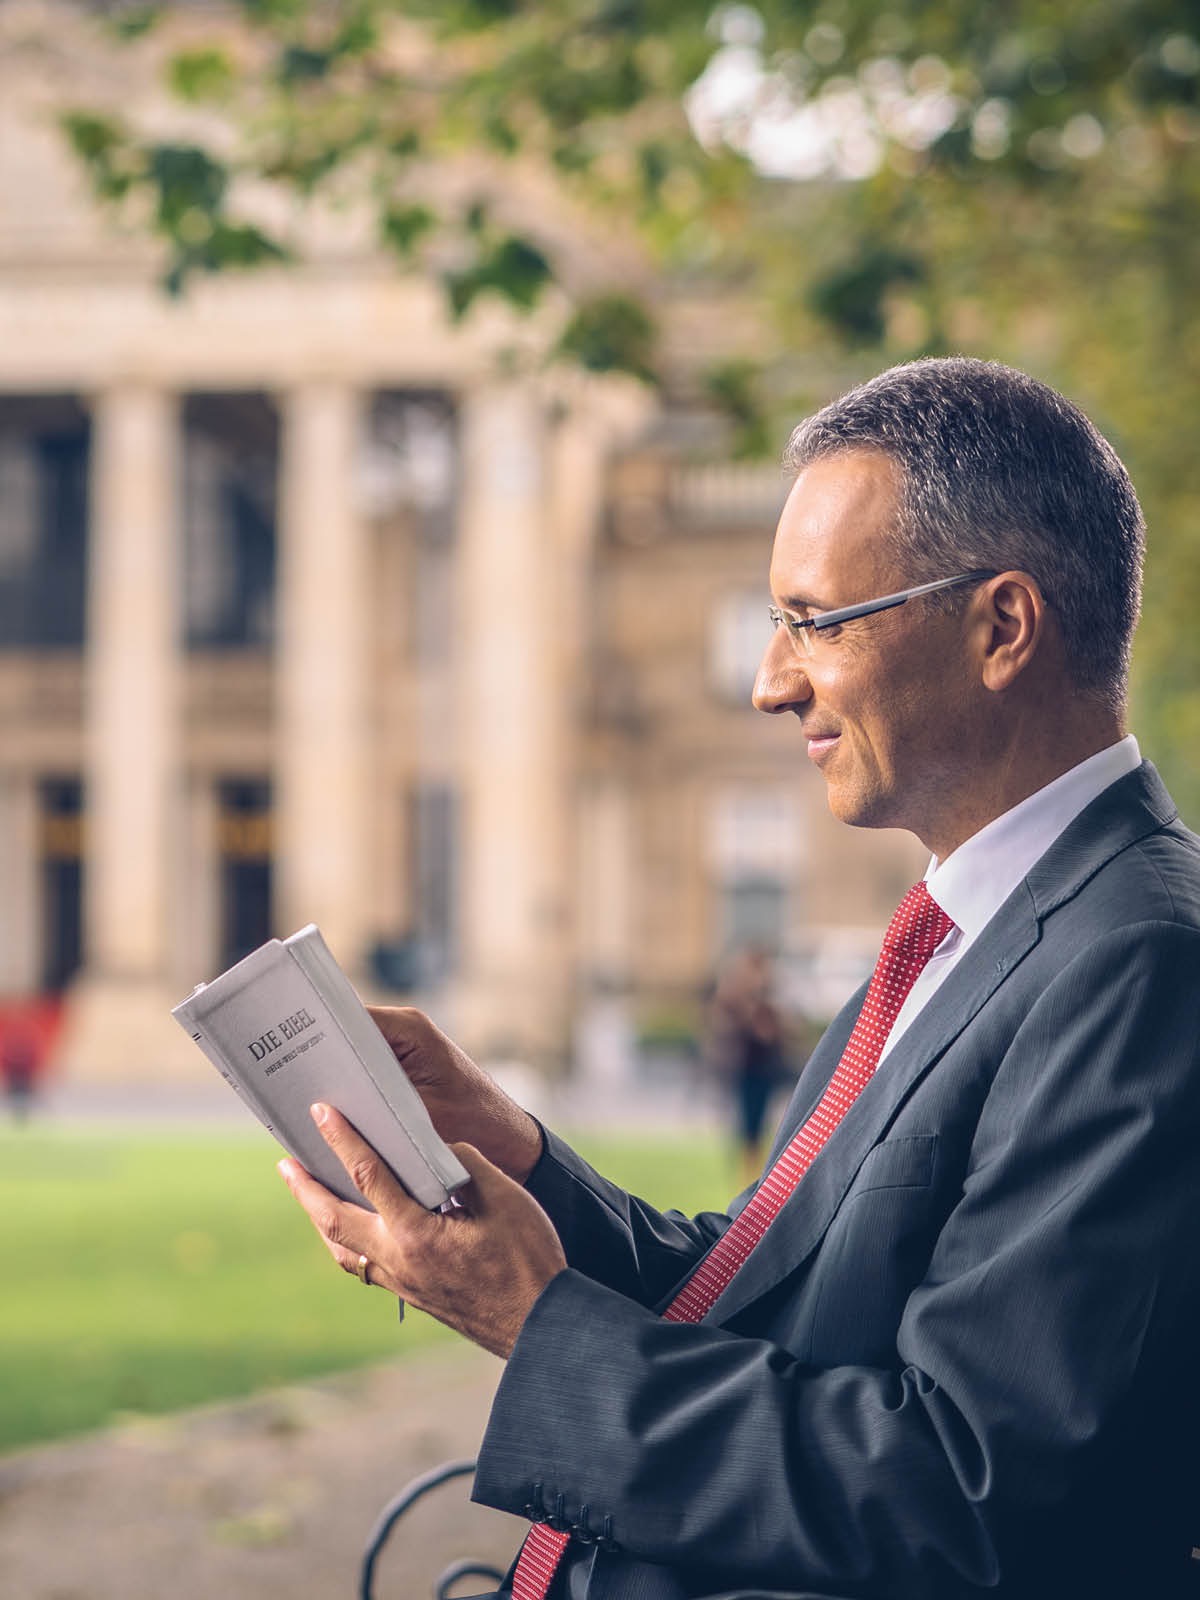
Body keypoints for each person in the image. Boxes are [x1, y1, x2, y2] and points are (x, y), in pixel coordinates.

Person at [278, 357, 1200, 1600]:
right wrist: (521, 1151)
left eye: (814, 620)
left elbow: (962, 1492)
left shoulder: (1137, 960)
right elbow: (783, 1290)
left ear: (1002, 626)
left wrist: (536, 1324)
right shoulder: (971, 924)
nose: (772, 681)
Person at [708, 945, 790, 1184]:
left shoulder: (767, 999)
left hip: (764, 1071)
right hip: (745, 1070)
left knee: (759, 1124)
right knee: (747, 1125)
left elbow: (774, 1033)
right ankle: (748, 1174)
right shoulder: (738, 999)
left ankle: (755, 1173)